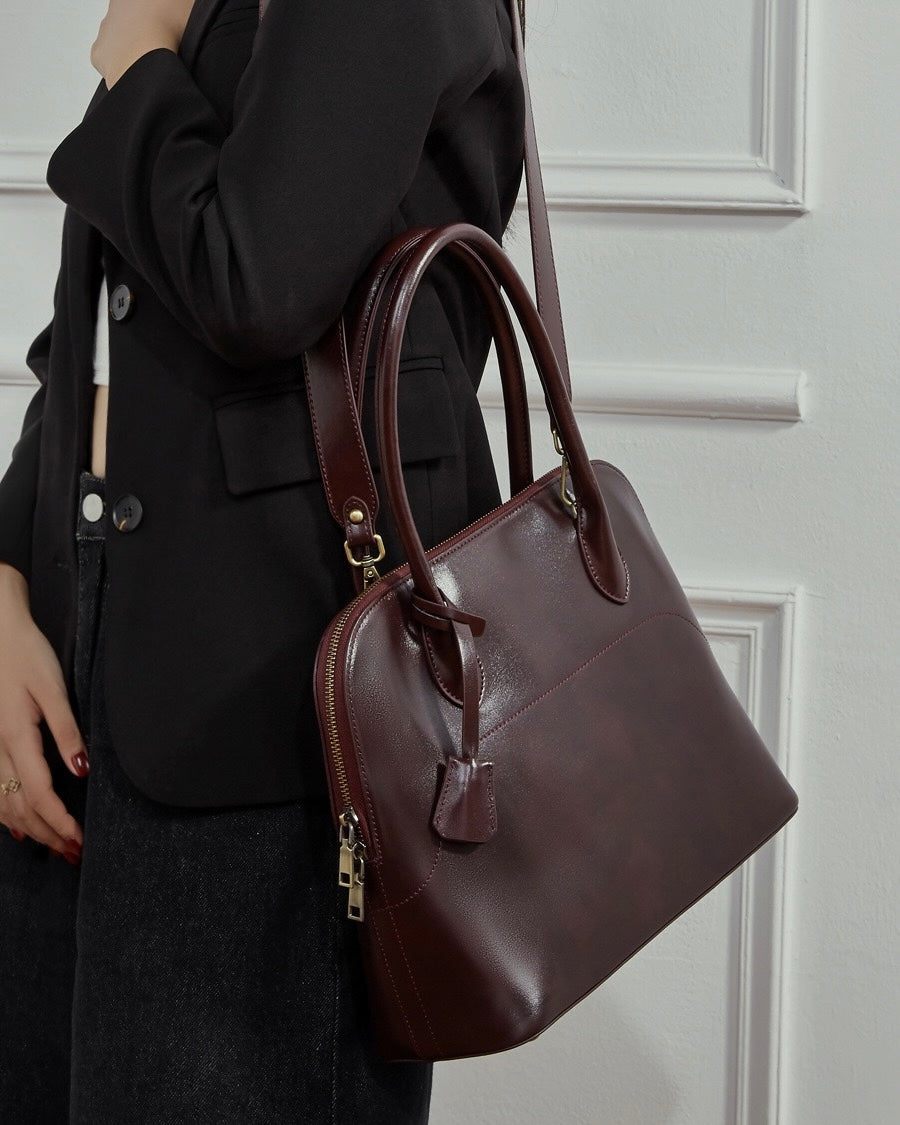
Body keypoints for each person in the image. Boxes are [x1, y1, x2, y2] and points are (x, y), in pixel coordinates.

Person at [0, 0, 526, 1120]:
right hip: (83, 644)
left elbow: (259, 280)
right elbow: (106, 327)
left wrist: (142, 49)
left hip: (279, 688)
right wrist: (5, 573)